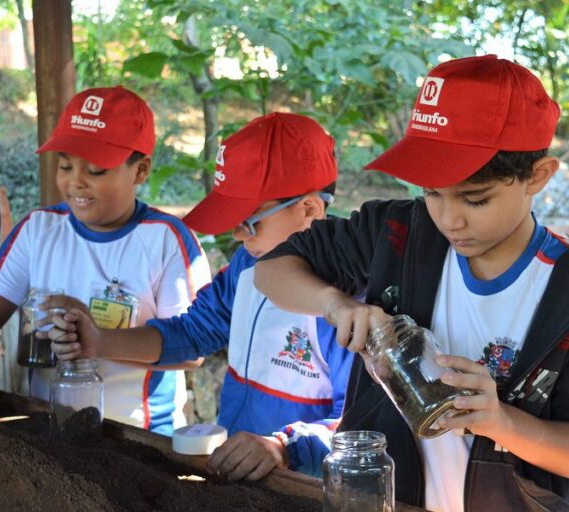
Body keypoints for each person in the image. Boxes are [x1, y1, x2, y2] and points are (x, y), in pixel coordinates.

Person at [254, 55, 569, 511]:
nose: (448, 219)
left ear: (537, 176)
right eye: (432, 192)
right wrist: (335, 303)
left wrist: (500, 421)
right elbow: (271, 270)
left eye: (475, 199)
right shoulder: (396, 235)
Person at [48, 112, 354, 480]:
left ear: (310, 210)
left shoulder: (346, 298)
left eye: (249, 221)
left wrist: (284, 448)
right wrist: (99, 342)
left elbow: (362, 423)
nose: (238, 236)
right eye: (233, 221)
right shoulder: (247, 265)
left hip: (308, 487)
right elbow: (192, 333)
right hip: (241, 475)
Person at [0, 86, 211, 435]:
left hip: (139, 436)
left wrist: (99, 340)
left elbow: (191, 347)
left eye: (95, 171)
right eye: (65, 165)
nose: (75, 182)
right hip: (49, 427)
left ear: (141, 170)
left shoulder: (165, 240)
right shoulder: (39, 229)